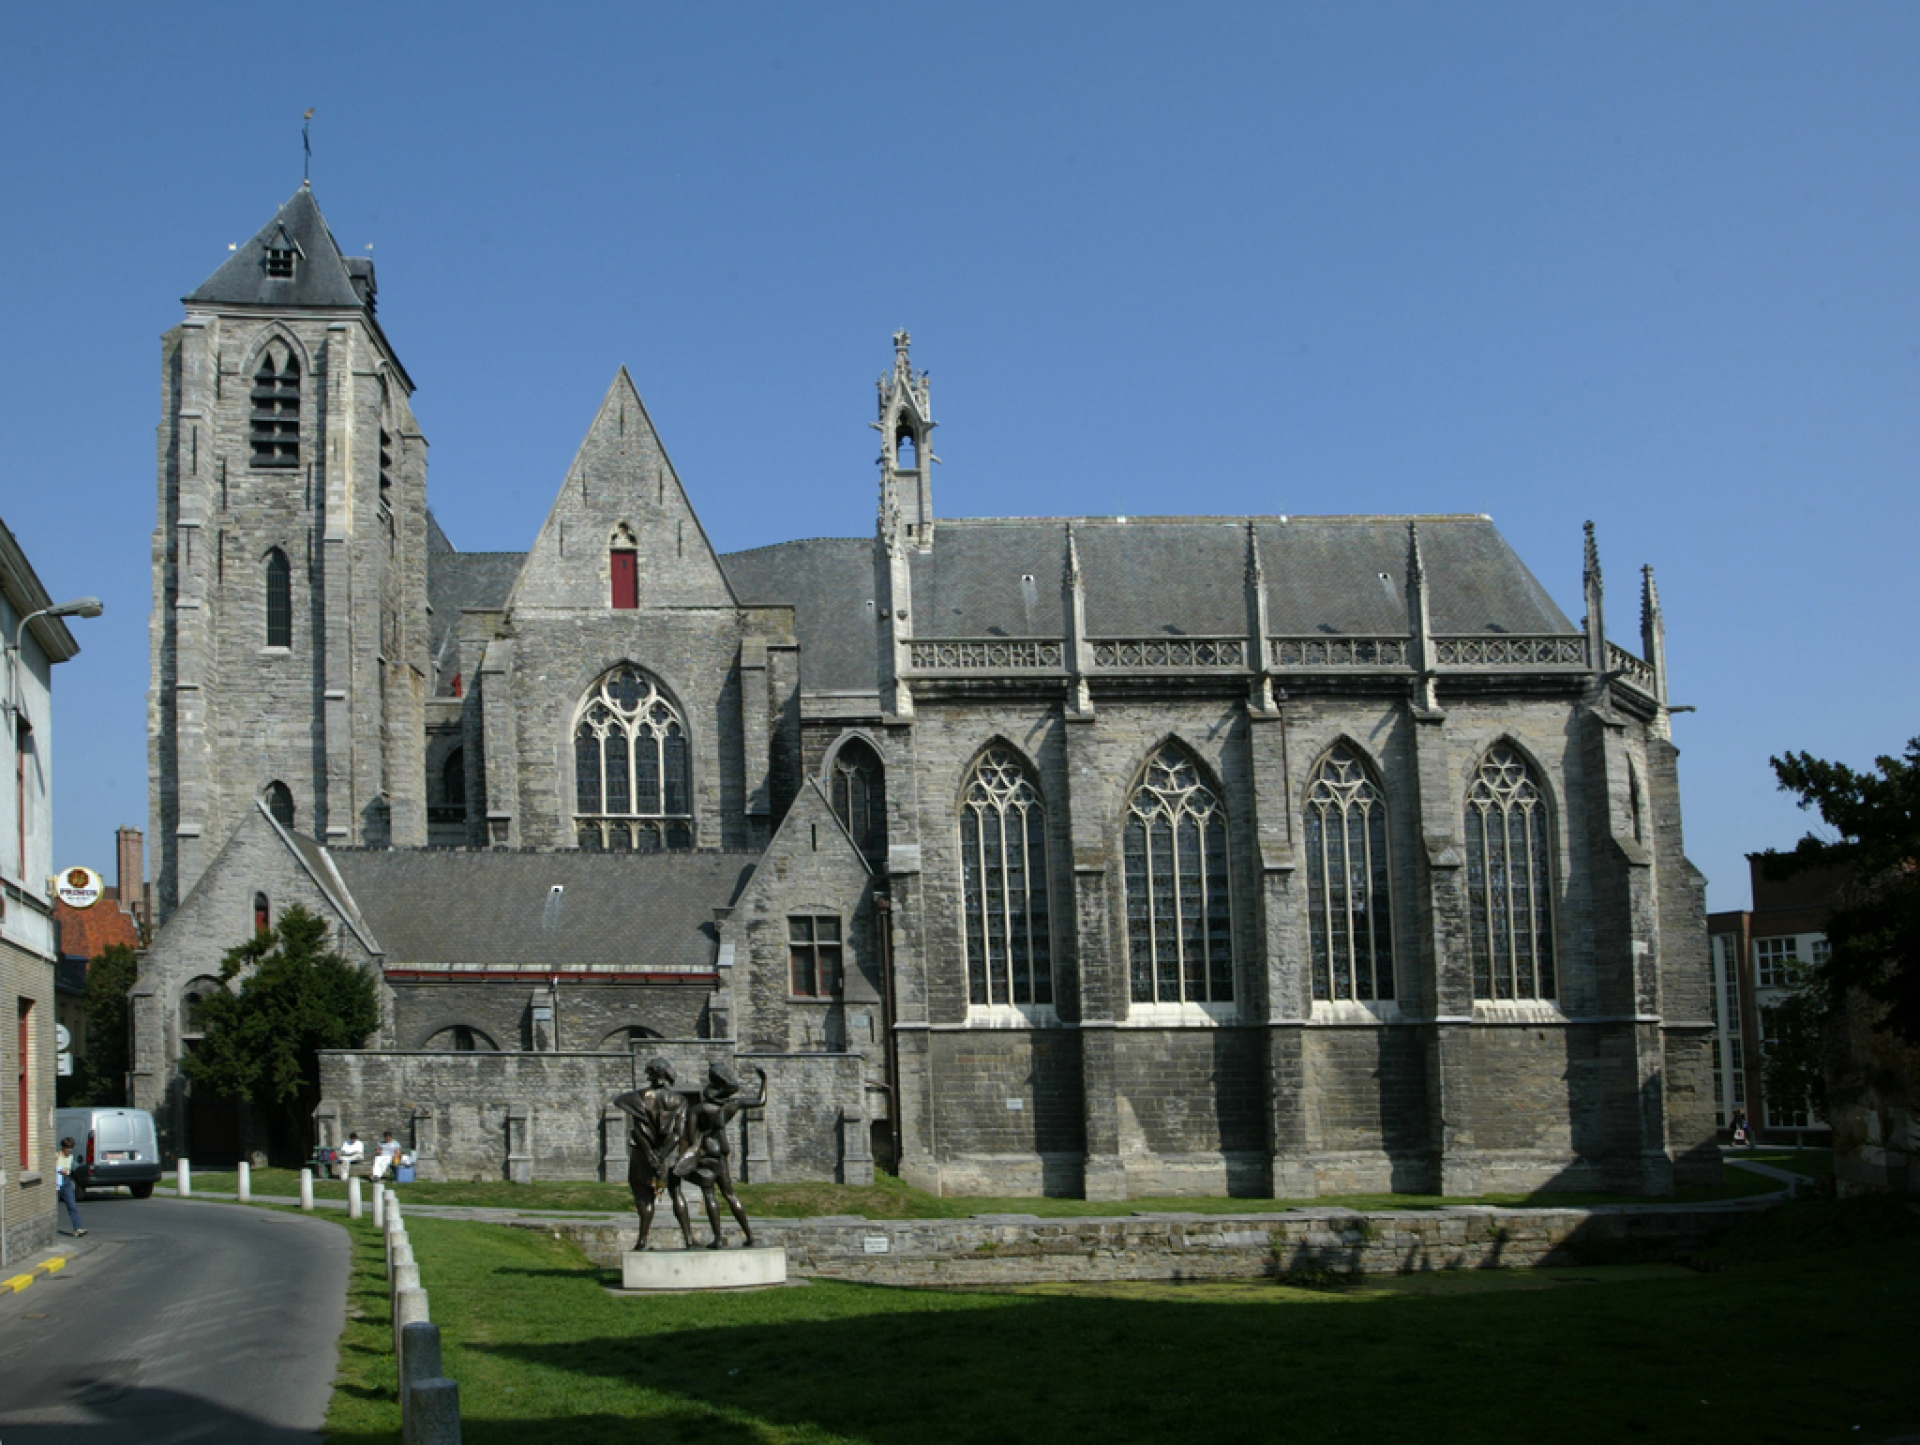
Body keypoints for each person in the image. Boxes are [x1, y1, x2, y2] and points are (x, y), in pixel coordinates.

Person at [672, 1063, 767, 1249]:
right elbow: (760, 1101)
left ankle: (718, 1238)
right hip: (721, 1154)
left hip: (707, 1153)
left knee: (709, 1193)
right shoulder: (732, 1105)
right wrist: (764, 1080)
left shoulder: (697, 1110)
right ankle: (749, 1235)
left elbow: (691, 1137)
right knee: (730, 1194)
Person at [612, 1058, 693, 1250]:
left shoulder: (638, 1098)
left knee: (645, 1196)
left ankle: (642, 1241)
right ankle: (689, 1240)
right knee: (675, 1193)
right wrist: (662, 1155)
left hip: (643, 1155)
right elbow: (678, 1134)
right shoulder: (679, 1100)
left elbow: (637, 1130)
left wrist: (651, 1155)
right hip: (668, 1155)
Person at [55, 1137, 86, 1237]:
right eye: (67, 1148)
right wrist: (60, 1170)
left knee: (72, 1205)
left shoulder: (71, 1157)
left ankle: (78, 1228)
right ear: (63, 1147)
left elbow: (76, 1167)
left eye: (71, 1148)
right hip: (57, 1181)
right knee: (53, 1206)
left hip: (66, 1181)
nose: (69, 1150)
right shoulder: (57, 1156)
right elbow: (50, 1166)